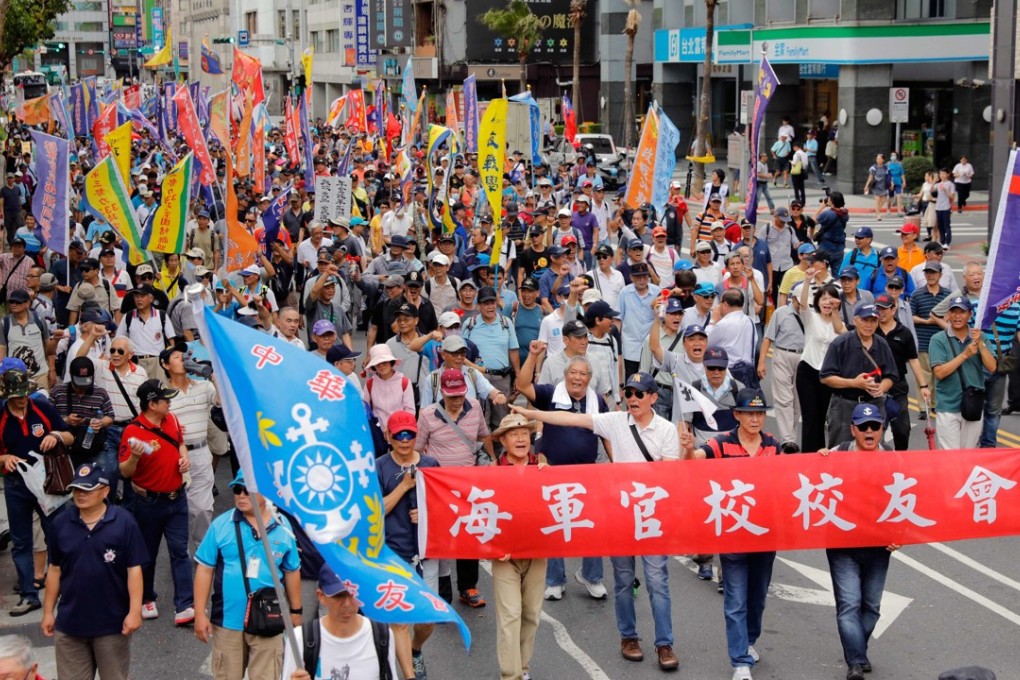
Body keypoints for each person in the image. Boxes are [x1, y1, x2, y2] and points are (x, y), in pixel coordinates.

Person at [510, 372, 680, 672]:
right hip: (620, 515)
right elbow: (568, 419)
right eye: (628, 393)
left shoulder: (667, 430)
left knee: (658, 582)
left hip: (652, 517)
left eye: (640, 394)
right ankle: (629, 637)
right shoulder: (614, 420)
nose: (632, 399)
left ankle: (665, 643)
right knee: (624, 581)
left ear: (654, 398)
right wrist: (529, 413)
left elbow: (670, 478)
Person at [680, 388, 782, 680]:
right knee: (735, 599)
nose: (755, 419)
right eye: (749, 413)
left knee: (757, 597)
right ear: (737, 415)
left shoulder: (773, 444)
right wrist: (688, 448)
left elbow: (794, 475)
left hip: (765, 536)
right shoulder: (721, 443)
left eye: (760, 413)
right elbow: (695, 460)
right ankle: (739, 661)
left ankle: (749, 641)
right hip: (733, 534)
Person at [516, 343, 610, 601]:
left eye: (583, 374)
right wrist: (533, 355)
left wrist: (616, 464)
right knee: (555, 525)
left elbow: (607, 432)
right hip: (553, 469)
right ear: (565, 375)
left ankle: (592, 577)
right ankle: (555, 581)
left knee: (592, 526)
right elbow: (522, 385)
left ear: (590, 379)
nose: (577, 377)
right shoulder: (549, 393)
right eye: (573, 373)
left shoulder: (598, 400)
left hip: (588, 472)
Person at [816, 403, 901, 680]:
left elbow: (904, 501)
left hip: (878, 546)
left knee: (872, 608)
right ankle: (854, 662)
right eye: (862, 426)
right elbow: (810, 483)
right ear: (853, 429)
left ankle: (858, 650)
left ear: (881, 429)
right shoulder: (836, 454)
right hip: (842, 546)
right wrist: (817, 460)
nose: (869, 431)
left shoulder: (892, 458)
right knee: (849, 604)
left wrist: (899, 536)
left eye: (874, 426)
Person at [193, 471, 302, 680]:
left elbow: (292, 571)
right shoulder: (221, 525)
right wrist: (199, 614)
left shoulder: (283, 527)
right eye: (236, 489)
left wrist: (296, 611)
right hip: (228, 622)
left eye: (247, 490)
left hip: (269, 619)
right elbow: (205, 570)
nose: (241, 495)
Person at [42, 463, 145, 680]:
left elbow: (134, 569)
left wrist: (135, 611)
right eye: (77, 489)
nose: (80, 495)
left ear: (105, 491)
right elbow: (54, 569)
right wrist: (48, 612)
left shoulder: (124, 522)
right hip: (70, 626)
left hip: (112, 625)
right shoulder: (60, 524)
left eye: (87, 490)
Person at [118, 379, 195, 626]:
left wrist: (184, 460)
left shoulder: (170, 419)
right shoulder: (132, 432)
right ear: (151, 404)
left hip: (177, 498)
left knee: (179, 552)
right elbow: (125, 471)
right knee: (147, 554)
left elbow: (180, 443)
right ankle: (146, 598)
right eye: (165, 399)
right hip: (149, 503)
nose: (169, 402)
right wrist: (135, 457)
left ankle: (185, 605)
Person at [415, 369, 492, 606]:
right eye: (452, 396)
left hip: (469, 484)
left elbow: (483, 435)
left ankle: (468, 587)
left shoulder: (475, 407)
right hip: (439, 486)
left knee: (469, 534)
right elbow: (418, 449)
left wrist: (493, 461)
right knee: (443, 534)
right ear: (442, 394)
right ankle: (437, 588)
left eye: (460, 395)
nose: (457, 401)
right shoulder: (428, 415)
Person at [0, 368, 74, 615]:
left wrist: (55, 435)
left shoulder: (42, 407)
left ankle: (66, 591)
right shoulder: (0, 417)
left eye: (24, 394)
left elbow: (69, 436)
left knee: (58, 535)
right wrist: (5, 458)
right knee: (21, 542)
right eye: (17, 396)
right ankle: (29, 595)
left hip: (48, 480)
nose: (22, 400)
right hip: (16, 484)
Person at [374, 411, 439, 679]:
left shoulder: (431, 463)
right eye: (398, 435)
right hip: (392, 555)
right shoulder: (378, 467)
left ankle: (415, 649)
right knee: (399, 621)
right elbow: (374, 512)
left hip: (426, 554)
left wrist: (426, 514)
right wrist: (403, 488)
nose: (404, 440)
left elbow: (446, 508)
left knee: (427, 619)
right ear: (389, 437)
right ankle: (409, 675)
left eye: (409, 434)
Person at [281, 564, 398, 680]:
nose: (347, 604)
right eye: (339, 596)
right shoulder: (300, 638)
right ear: (321, 596)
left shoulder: (382, 635)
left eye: (353, 594)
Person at [160, 344, 219, 553]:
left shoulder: (204, 387)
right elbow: (153, 421)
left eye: (184, 356)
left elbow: (221, 401)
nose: (182, 360)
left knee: (202, 508)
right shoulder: (162, 393)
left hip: (202, 452)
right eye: (176, 357)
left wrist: (211, 375)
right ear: (165, 365)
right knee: (180, 509)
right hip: (174, 456)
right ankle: (180, 552)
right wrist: (170, 427)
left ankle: (204, 553)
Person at [820, 304, 898, 447]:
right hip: (845, 405)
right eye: (865, 320)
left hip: (874, 404)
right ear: (855, 320)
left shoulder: (882, 344)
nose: (869, 325)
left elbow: (891, 375)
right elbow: (825, 377)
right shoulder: (840, 344)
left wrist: (882, 387)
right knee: (840, 448)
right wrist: (854, 383)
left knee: (873, 449)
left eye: (873, 321)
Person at [929, 296, 997, 449]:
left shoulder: (980, 337)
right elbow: (939, 372)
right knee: (950, 457)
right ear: (947, 315)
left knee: (968, 455)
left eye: (962, 312)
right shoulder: (938, 339)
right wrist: (965, 355)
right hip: (948, 406)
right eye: (954, 312)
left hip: (973, 404)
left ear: (970, 315)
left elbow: (992, 367)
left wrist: (981, 345)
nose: (957, 316)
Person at [875, 294, 931, 450]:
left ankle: (900, 461)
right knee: (873, 432)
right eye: (878, 308)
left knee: (902, 430)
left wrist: (923, 386)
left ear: (894, 309)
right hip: (874, 388)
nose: (881, 312)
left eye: (884, 309)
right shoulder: (870, 329)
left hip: (898, 388)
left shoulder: (904, 332)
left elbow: (913, 360)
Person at [797, 282, 846, 452]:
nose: (827, 302)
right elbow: (803, 303)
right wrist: (806, 280)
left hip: (828, 375)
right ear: (817, 301)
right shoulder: (810, 317)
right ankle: (808, 454)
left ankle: (820, 452)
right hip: (807, 371)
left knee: (822, 417)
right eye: (823, 298)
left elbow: (844, 334)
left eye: (831, 298)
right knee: (810, 416)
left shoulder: (838, 323)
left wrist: (835, 312)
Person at [757, 290, 805, 453]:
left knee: (798, 401)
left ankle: (790, 437)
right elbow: (768, 338)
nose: (802, 303)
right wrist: (762, 361)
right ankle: (788, 439)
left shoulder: (810, 313)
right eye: (799, 300)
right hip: (783, 355)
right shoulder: (781, 312)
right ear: (793, 299)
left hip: (804, 357)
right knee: (784, 399)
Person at [813, 191, 850, 277]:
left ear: (832, 202)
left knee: (820, 272)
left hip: (826, 248)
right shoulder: (845, 214)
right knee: (837, 274)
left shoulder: (828, 214)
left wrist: (821, 207)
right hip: (839, 249)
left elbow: (813, 221)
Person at [863, 154, 890, 221]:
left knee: (883, 200)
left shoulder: (886, 168)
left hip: (884, 185)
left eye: (879, 159)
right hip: (876, 186)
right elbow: (870, 177)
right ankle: (878, 215)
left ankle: (877, 210)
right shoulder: (873, 168)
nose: (878, 160)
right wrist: (866, 186)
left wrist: (891, 183)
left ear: (883, 160)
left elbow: (889, 176)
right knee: (877, 201)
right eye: (877, 158)